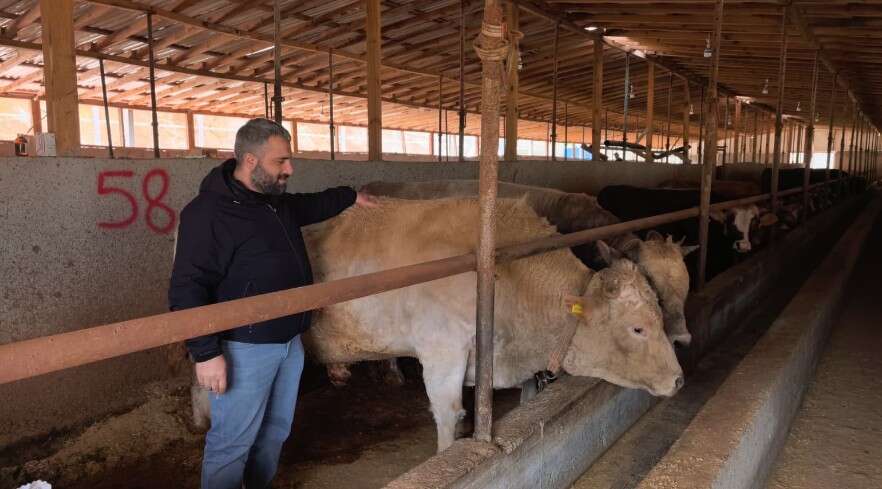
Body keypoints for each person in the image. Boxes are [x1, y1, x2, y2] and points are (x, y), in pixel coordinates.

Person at [169, 118, 377, 489]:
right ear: (250, 161)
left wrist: (349, 196)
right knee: (232, 442)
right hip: (242, 347)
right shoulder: (207, 214)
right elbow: (187, 287)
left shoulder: (273, 203)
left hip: (287, 342)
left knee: (275, 432)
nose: (290, 169)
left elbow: (309, 205)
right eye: (280, 161)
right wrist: (205, 352)